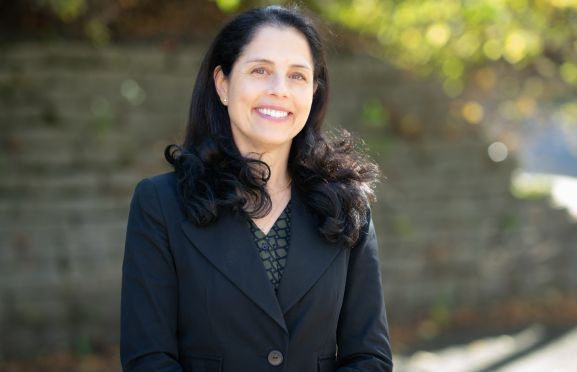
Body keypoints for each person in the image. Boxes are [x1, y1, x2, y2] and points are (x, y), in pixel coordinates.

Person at [120, 5, 392, 371]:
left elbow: (369, 357)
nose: (279, 90)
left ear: (312, 92)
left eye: (297, 76)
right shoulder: (160, 204)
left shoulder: (346, 205)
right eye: (260, 70)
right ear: (223, 83)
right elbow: (148, 358)